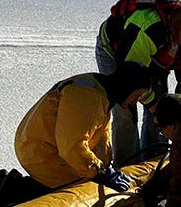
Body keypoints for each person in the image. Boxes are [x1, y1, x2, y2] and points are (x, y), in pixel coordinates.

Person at [95, 0, 181, 164]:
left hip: (160, 58)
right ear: (177, 27)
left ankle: (154, 160)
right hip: (117, 54)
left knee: (164, 110)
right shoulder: (149, 27)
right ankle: (126, 163)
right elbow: (130, 76)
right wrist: (152, 104)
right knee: (124, 109)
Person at [13, 63, 152, 192]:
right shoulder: (88, 97)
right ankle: (14, 190)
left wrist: (105, 167)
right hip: (40, 152)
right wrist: (99, 172)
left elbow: (100, 138)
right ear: (127, 87)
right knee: (75, 185)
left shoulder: (103, 95)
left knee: (86, 175)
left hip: (49, 148)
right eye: (137, 95)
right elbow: (72, 147)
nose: (137, 100)